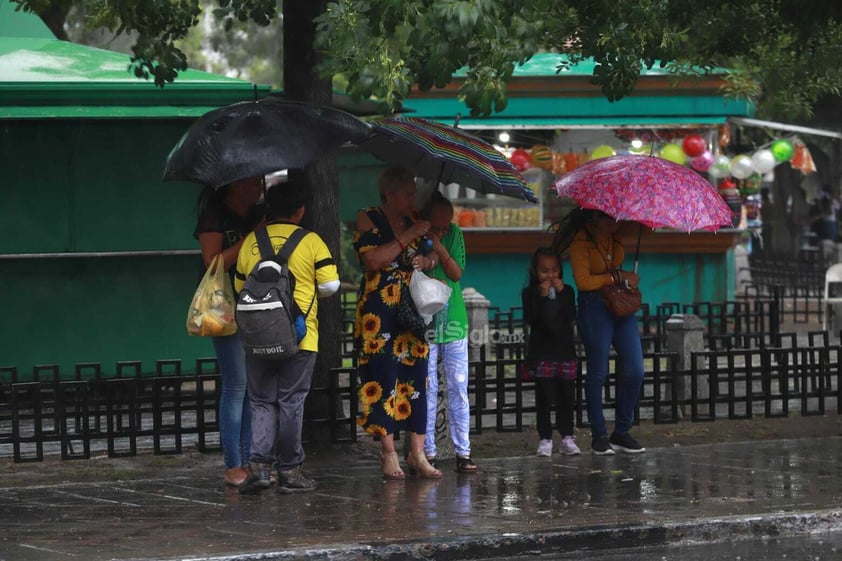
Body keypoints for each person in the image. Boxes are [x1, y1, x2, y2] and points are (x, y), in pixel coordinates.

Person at [234, 179, 340, 494]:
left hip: (257, 339)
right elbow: (331, 286)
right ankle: (290, 471)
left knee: (262, 401)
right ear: (300, 210)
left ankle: (259, 469)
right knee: (291, 401)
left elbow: (241, 288)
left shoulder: (252, 242)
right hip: (300, 336)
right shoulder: (311, 241)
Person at [353, 166, 442, 479]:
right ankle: (388, 452)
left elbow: (433, 258)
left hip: (412, 311)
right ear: (389, 194)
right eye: (407, 193)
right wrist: (407, 237)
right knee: (383, 377)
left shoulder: (416, 219)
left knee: (417, 377)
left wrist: (425, 260)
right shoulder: (369, 218)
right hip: (379, 314)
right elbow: (373, 260)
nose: (412, 198)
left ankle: (417, 453)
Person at [553, 209, 645, 455]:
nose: (614, 221)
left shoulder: (616, 236)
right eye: (607, 217)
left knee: (636, 369)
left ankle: (622, 431)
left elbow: (616, 268)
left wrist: (623, 277)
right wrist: (616, 276)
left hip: (620, 305)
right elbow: (583, 282)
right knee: (598, 371)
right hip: (594, 307)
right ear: (594, 217)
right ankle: (599, 434)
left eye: (616, 217)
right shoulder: (581, 242)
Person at [194, 176, 265, 486]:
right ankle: (233, 463)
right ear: (233, 183)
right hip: (226, 307)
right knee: (236, 384)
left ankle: (249, 460)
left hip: (258, 303)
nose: (258, 188)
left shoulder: (257, 214)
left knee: (252, 386)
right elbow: (213, 262)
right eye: (252, 182)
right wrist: (251, 238)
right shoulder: (214, 215)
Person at [422, 191, 478, 473]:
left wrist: (440, 246)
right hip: (426, 322)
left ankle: (463, 452)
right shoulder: (416, 235)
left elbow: (456, 273)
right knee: (428, 387)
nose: (442, 229)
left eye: (446, 224)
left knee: (458, 386)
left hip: (453, 320)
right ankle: (427, 452)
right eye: (437, 225)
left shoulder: (455, 234)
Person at [520, 247, 580, 457]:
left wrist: (562, 294)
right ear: (535, 272)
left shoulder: (568, 291)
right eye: (545, 271)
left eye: (554, 270)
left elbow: (571, 316)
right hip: (542, 353)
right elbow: (533, 320)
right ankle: (545, 438)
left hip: (565, 351)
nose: (550, 275)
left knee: (566, 397)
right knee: (544, 397)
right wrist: (544, 298)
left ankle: (567, 437)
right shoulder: (529, 293)